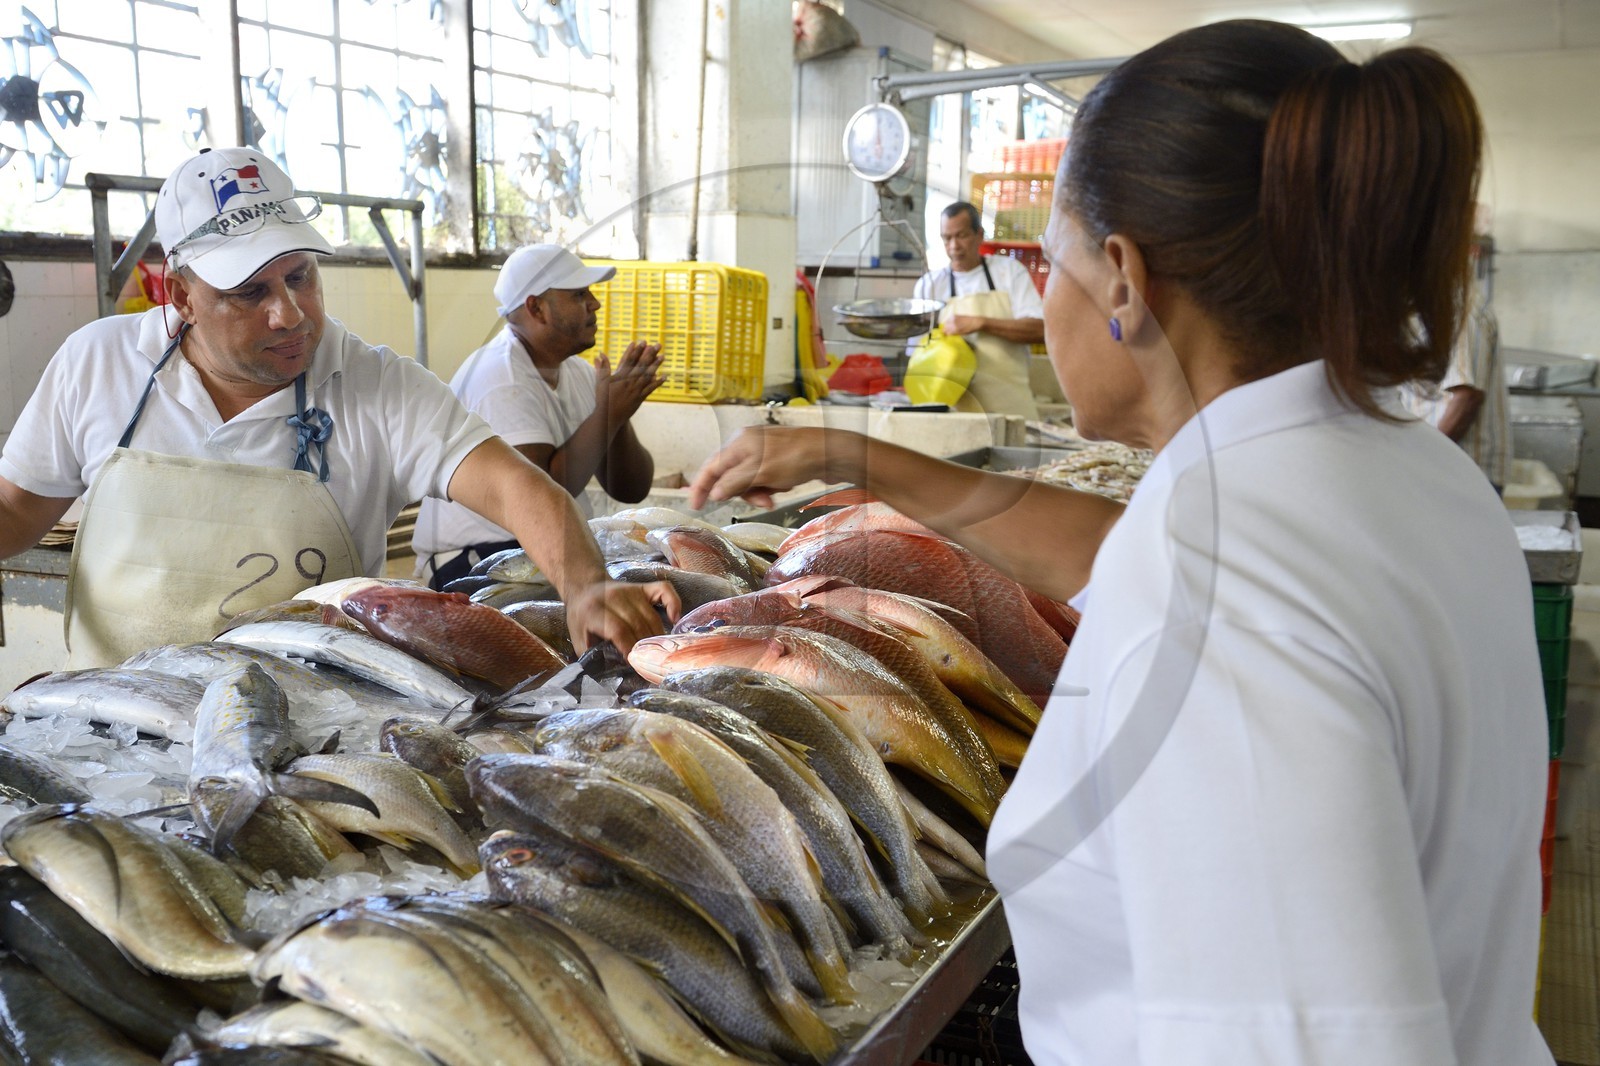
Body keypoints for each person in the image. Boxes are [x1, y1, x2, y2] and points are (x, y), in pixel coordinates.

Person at [690, 20, 1551, 1065]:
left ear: (1124, 280)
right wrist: (857, 457)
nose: (1041, 300)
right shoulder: (1399, 474)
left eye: (1048, 266)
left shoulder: (1216, 588)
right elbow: (1111, 548)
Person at [0, 147, 676, 669]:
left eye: (300, 276)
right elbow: (13, 513)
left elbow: (520, 485)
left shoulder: (375, 384)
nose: (289, 314)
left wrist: (586, 585)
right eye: (249, 291)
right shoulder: (97, 364)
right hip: (111, 733)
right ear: (179, 293)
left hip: (309, 736)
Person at [412, 244, 664, 590]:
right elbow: (539, 496)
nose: (595, 303)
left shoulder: (577, 373)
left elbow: (631, 488)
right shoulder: (499, 376)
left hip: (539, 544)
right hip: (474, 560)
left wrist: (617, 415)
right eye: (578, 295)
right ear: (537, 307)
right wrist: (608, 410)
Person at [910, 200, 1046, 419]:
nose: (954, 246)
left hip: (1010, 409)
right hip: (956, 414)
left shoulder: (1009, 272)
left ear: (979, 235)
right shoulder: (930, 285)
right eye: (947, 238)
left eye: (961, 235)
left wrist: (982, 323)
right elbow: (917, 354)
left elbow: (1040, 330)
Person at [1403, 261, 1510, 491]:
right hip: (1441, 469)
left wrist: (1422, 460)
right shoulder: (1427, 311)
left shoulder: (1459, 311)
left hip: (1461, 476)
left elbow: (1466, 397)